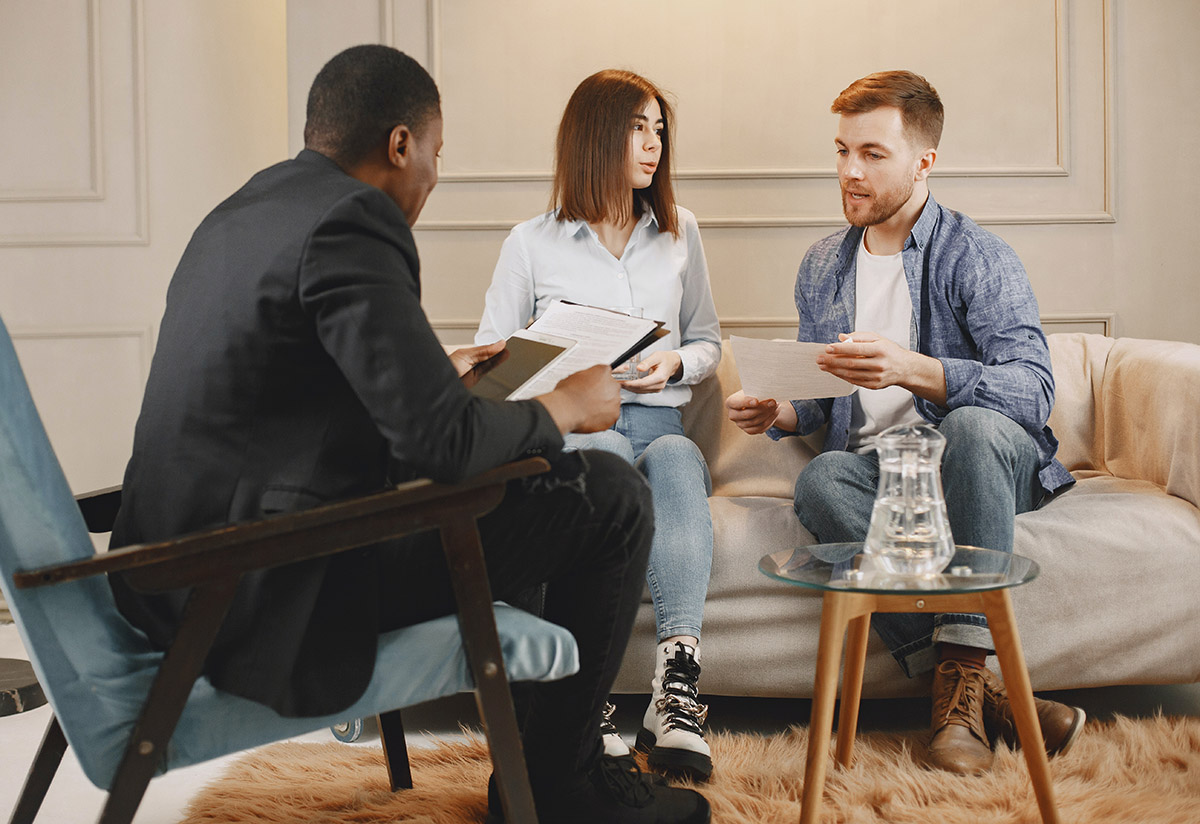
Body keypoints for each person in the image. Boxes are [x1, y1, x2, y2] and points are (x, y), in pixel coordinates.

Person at [107, 45, 709, 824]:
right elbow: (443, 449)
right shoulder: (354, 220)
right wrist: (563, 404)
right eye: (436, 153)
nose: (433, 174)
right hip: (270, 586)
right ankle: (566, 786)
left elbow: (289, 404)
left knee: (529, 480)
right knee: (612, 495)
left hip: (176, 572)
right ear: (399, 144)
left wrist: (442, 373)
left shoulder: (243, 211)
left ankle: (534, 762)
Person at [724, 70, 1085, 775]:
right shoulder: (825, 264)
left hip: (980, 464)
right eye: (841, 151)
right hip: (887, 476)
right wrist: (781, 409)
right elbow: (828, 399)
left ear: (924, 162)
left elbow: (1032, 391)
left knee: (975, 431)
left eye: (872, 154)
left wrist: (912, 368)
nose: (849, 172)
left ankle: (960, 694)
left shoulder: (977, 256)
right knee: (823, 479)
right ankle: (980, 692)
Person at [476, 69, 722, 783]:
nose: (653, 145)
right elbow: (494, 365)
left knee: (676, 457)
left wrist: (674, 362)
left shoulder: (681, 232)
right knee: (604, 452)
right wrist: (565, 372)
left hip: (660, 417)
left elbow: (709, 341)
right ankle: (588, 706)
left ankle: (676, 691)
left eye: (659, 130)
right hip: (584, 424)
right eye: (637, 128)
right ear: (594, 136)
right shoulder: (530, 243)